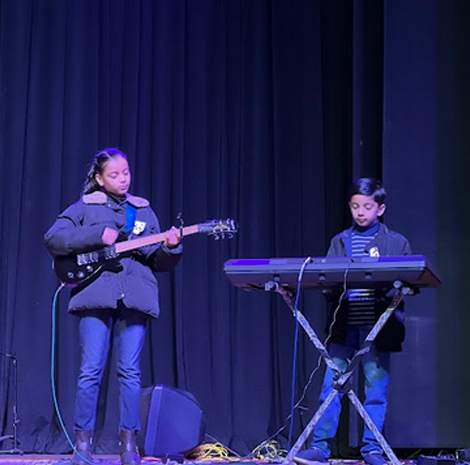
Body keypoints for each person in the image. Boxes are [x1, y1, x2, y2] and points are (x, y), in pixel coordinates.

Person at [45, 148, 183, 465]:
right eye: (114, 174)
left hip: (135, 298)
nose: (123, 179)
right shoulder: (85, 207)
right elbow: (54, 238)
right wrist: (97, 235)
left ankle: (129, 448)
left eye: (126, 172)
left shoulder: (143, 210)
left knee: (130, 372)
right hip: (96, 296)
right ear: (99, 178)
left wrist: (170, 248)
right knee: (90, 371)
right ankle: (83, 447)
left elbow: (157, 261)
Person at [295, 178, 412, 465]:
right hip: (344, 327)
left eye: (367, 207)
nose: (360, 212)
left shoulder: (395, 242)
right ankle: (320, 448)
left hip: (378, 327)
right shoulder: (340, 241)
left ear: (380, 209)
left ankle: (372, 449)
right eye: (355, 206)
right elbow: (327, 281)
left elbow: (409, 279)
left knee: (375, 390)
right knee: (330, 387)